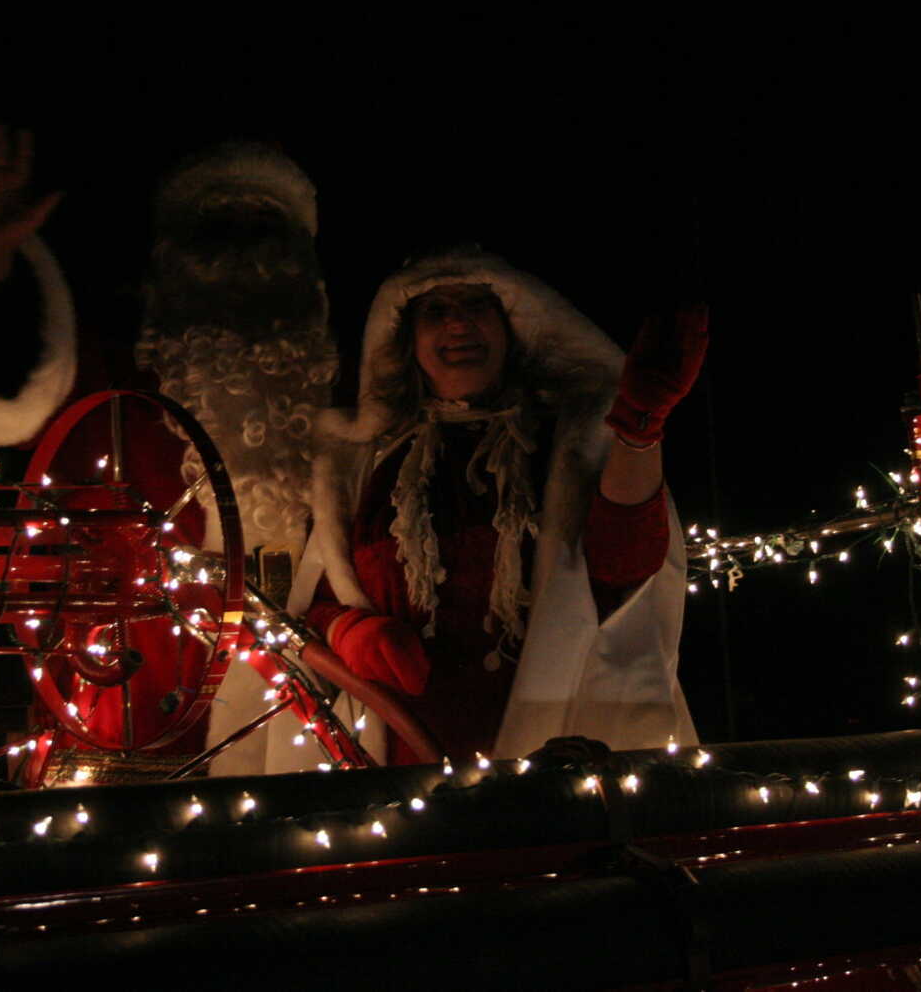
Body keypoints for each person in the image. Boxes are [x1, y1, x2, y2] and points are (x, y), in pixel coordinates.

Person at [0, 125, 337, 776]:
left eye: (264, 225)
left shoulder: (339, 395)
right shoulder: (111, 378)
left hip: (311, 736)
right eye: (218, 225)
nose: (242, 247)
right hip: (128, 730)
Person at [294, 248, 706, 765]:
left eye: (476, 306)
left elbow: (624, 571)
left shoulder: (565, 446)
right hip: (402, 769)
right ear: (406, 338)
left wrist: (639, 427)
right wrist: (350, 632)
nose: (458, 323)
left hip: (554, 757)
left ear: (512, 325)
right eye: (436, 311)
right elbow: (317, 597)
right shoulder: (366, 464)